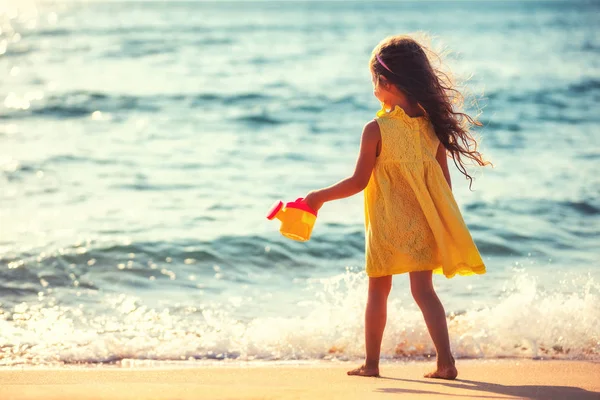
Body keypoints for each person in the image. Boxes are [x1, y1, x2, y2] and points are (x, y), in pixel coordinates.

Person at [303, 35, 490, 380]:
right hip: (423, 224)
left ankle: (372, 365)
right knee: (425, 293)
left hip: (387, 226)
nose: (373, 89)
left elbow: (358, 181)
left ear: (386, 82)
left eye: (374, 82)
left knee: (378, 291)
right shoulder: (432, 125)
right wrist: (443, 227)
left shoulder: (375, 129)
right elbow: (443, 185)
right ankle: (446, 363)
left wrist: (317, 198)